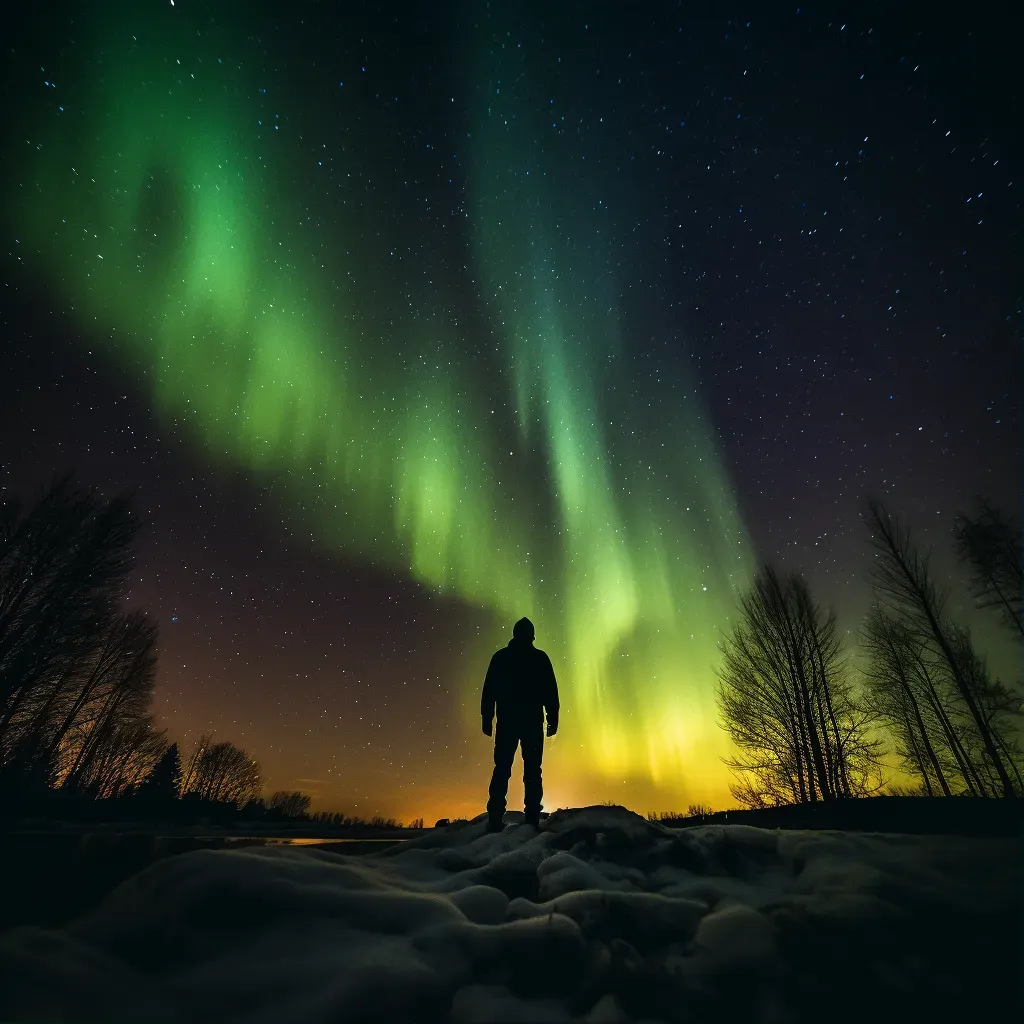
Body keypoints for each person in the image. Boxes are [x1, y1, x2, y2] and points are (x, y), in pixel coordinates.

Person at [481, 617, 559, 831]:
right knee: (530, 770)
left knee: (505, 769)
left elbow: (490, 690)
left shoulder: (502, 657)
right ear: (531, 635)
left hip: (509, 721)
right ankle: (530, 817)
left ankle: (497, 817)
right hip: (529, 722)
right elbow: (550, 692)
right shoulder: (538, 658)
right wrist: (553, 717)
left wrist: (487, 717)